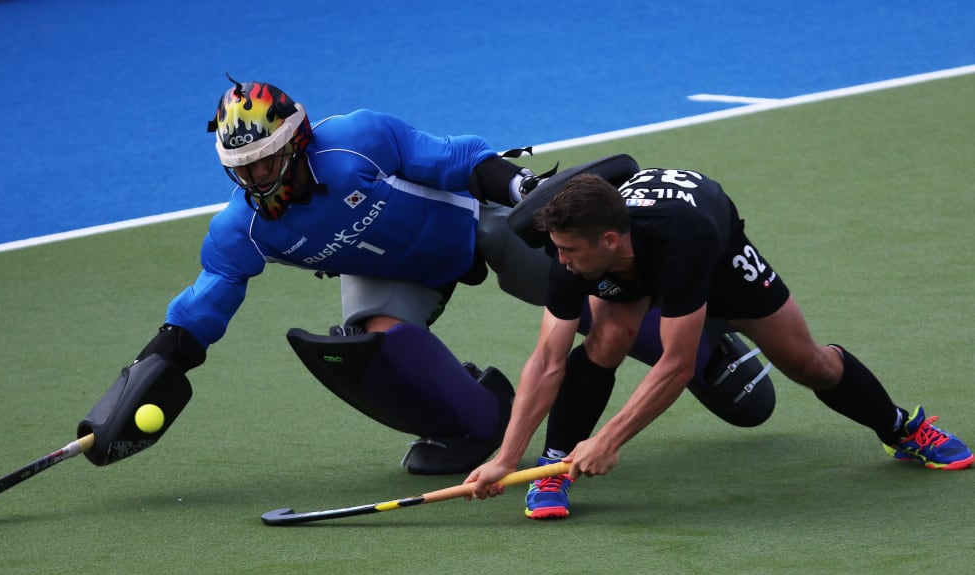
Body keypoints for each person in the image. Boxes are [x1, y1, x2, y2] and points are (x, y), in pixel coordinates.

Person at [78, 78, 771, 477]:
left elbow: (453, 156)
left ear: (297, 139)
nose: (259, 178)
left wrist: (521, 184)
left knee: (562, 284)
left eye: (267, 160)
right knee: (372, 341)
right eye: (245, 170)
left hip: (472, 227)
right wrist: (158, 361)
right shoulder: (244, 229)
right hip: (399, 274)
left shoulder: (357, 138)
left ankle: (697, 346)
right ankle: (479, 423)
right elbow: (209, 299)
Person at [465, 168, 972, 519]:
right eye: (558, 249)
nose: (562, 260)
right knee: (607, 338)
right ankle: (552, 469)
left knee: (808, 363)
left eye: (570, 250)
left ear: (610, 241)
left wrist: (608, 440)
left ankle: (900, 428)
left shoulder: (685, 244)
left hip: (717, 250)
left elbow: (676, 366)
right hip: (630, 263)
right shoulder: (573, 257)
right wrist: (507, 458)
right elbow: (547, 362)